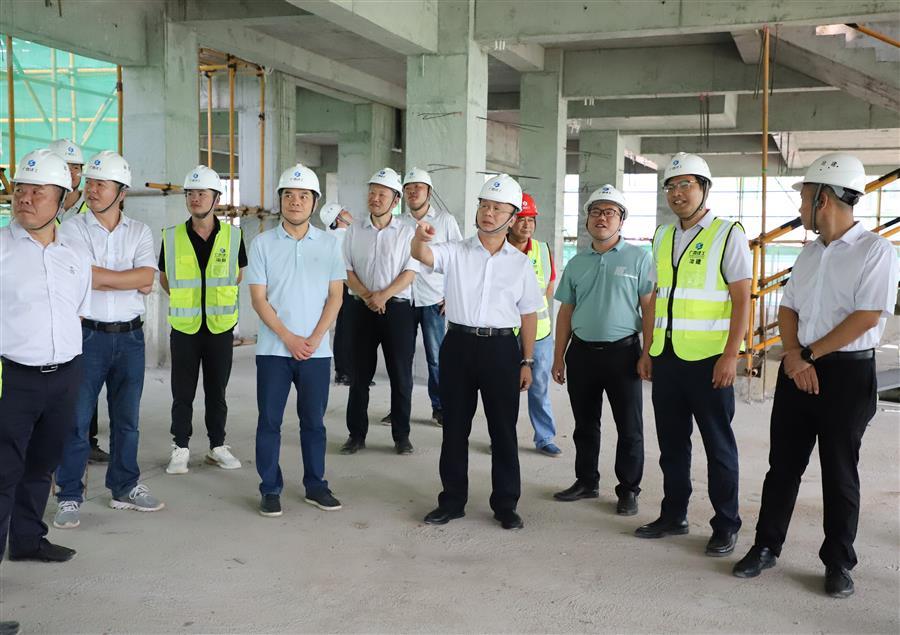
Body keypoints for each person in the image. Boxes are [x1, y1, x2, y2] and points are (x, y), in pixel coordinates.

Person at [733, 153, 899, 598]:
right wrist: (794, 355)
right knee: (782, 467)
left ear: (822, 198)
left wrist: (807, 355)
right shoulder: (809, 252)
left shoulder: (876, 251)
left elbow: (867, 316)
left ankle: (838, 563)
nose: (801, 207)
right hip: (797, 367)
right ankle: (766, 547)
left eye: (804, 198)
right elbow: (788, 308)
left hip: (846, 376)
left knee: (840, 472)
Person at [635, 152, 751, 558]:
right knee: (672, 445)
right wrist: (648, 349)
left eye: (686, 184)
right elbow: (655, 299)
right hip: (667, 358)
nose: (677, 193)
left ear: (704, 188)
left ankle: (726, 524)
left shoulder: (727, 233)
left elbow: (742, 300)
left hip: (708, 362)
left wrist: (731, 356)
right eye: (671, 186)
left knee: (719, 447)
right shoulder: (662, 236)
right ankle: (674, 515)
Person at [413, 174, 543, 531]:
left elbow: (528, 314)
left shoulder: (520, 264)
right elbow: (422, 254)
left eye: (498, 208)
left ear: (512, 218)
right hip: (458, 345)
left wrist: (527, 360)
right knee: (455, 428)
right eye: (484, 205)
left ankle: (506, 504)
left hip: (502, 349)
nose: (488, 213)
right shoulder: (455, 251)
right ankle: (452, 501)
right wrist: (420, 237)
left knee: (503, 430)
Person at [53, 151, 163, 530]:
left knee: (127, 420)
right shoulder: (73, 229)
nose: (92, 189)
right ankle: (69, 495)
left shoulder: (140, 231)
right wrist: (121, 277)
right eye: (90, 183)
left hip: (131, 337)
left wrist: (102, 277)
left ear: (121, 192)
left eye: (101, 184)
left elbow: (147, 279)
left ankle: (124, 487)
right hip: (88, 337)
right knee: (77, 421)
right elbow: (85, 277)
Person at [1, 150, 90, 572]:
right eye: (21, 189)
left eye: (38, 191)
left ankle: (27, 540)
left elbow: (78, 310)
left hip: (65, 375)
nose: (25, 197)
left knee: (41, 465)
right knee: (3, 472)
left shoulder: (74, 253)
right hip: (12, 377)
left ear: (62, 199)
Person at [247, 165, 345, 517]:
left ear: (314, 202)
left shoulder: (330, 245)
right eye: (289, 195)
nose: (296, 201)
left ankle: (316, 485)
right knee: (269, 422)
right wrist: (288, 338)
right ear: (281, 200)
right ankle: (270, 488)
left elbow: (336, 296)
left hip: (316, 352)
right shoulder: (262, 243)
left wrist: (315, 338)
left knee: (314, 423)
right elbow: (259, 299)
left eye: (304, 196)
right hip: (273, 350)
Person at [551, 185, 653, 515]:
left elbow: (649, 308)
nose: (602, 218)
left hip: (623, 355)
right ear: (587, 221)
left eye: (610, 212)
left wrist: (647, 353)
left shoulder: (639, 258)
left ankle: (628, 490)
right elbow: (565, 312)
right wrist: (558, 356)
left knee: (629, 427)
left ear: (621, 220)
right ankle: (586, 481)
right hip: (581, 354)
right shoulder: (577, 263)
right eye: (596, 212)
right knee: (585, 425)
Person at [159, 166, 247, 475]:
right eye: (190, 193)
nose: (195, 198)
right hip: (185, 328)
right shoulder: (171, 237)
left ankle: (217, 446)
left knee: (216, 392)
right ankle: (180, 447)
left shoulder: (233, 236)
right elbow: (165, 278)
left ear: (216, 199)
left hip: (220, 328)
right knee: (182, 392)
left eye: (202, 193)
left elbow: (238, 274)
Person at [340, 168, 419, 455]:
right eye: (372, 192)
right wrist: (368, 296)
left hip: (397, 311)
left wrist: (383, 295)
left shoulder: (408, 232)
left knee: (401, 376)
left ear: (395, 200)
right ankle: (356, 435)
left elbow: (410, 271)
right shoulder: (354, 229)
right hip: (361, 310)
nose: (375, 198)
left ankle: (402, 436)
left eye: (382, 194)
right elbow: (346, 268)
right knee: (359, 376)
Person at [380, 167, 462, 427]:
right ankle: (399, 410)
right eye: (408, 188)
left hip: (433, 300)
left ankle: (440, 408)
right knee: (400, 359)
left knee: (436, 358)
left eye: (419, 187)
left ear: (429, 192)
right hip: (402, 300)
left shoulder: (445, 221)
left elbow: (458, 259)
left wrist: (451, 295)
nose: (413, 192)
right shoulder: (397, 222)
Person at [49, 139, 107, 464]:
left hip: (86, 308)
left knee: (86, 382)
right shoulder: (44, 208)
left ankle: (88, 441)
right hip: (52, 305)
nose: (73, 173)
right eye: (67, 166)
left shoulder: (92, 210)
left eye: (77, 168)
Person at [506, 193, 561, 456]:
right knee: (505, 390)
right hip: (505, 333)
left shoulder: (542, 249)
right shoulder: (497, 248)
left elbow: (549, 285)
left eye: (531, 219)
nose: (526, 225)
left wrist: (530, 310)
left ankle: (545, 437)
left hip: (539, 334)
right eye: (521, 219)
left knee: (539, 388)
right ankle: (503, 438)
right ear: (510, 221)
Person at [319, 202, 354, 386]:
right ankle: (345, 372)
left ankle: (344, 371)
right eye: (344, 211)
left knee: (344, 328)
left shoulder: (331, 237)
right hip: (346, 286)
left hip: (339, 286)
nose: (349, 213)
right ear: (338, 218)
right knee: (346, 329)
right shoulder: (343, 237)